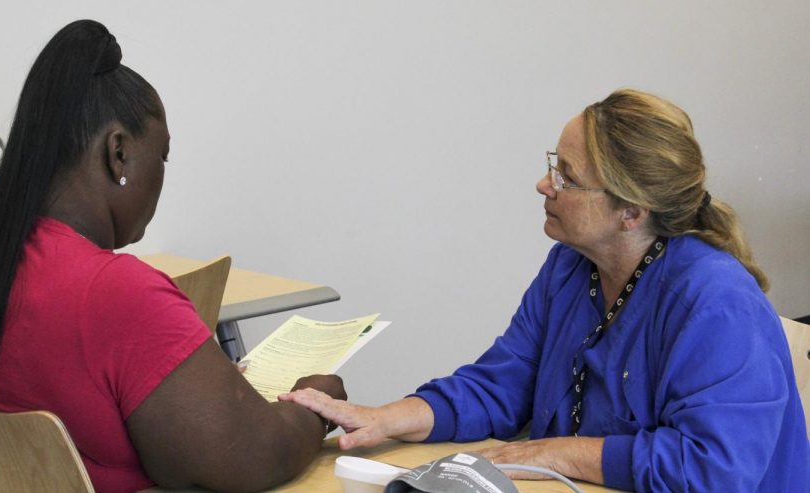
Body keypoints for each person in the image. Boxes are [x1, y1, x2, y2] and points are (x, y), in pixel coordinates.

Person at [282, 89, 810, 491]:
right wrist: (382, 419)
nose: (544, 184)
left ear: (632, 211)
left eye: (567, 176)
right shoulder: (570, 265)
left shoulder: (717, 301)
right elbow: (502, 385)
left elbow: (711, 470)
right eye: (552, 165)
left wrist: (558, 454)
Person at [0, 20, 345, 493]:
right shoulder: (116, 290)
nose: (161, 175)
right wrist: (314, 404)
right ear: (118, 153)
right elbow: (250, 459)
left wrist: (198, 389)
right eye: (161, 156)